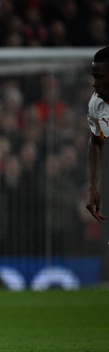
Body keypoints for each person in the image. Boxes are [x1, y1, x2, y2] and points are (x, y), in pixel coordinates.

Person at [86, 46, 109, 222]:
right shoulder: (96, 104)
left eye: (99, 77)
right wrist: (93, 186)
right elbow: (96, 141)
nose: (94, 83)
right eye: (94, 77)